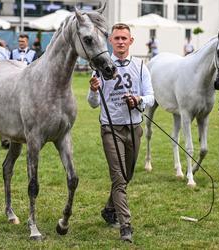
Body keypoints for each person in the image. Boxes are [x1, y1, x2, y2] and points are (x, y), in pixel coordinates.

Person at [87, 23, 154, 243]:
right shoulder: (100, 67)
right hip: (111, 128)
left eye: (124, 38)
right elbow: (93, 103)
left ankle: (109, 209)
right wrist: (93, 90)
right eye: (117, 38)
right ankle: (126, 226)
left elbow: (151, 96)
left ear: (131, 41)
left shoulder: (141, 66)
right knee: (118, 178)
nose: (121, 42)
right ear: (110, 42)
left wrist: (139, 100)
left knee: (127, 176)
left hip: (134, 127)